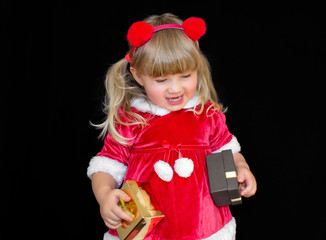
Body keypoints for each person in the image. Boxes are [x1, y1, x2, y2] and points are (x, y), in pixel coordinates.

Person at [87, 13, 257, 240]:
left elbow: (228, 153)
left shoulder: (206, 115)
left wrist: (242, 168)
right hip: (148, 231)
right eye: (161, 80)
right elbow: (107, 165)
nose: (175, 89)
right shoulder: (132, 119)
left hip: (205, 228)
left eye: (185, 76)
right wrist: (105, 194)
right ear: (137, 75)